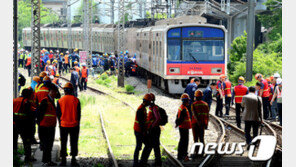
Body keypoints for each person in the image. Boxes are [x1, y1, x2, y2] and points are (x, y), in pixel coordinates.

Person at [57, 82, 81, 166]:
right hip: (74, 125)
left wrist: (60, 124)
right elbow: (78, 114)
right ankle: (73, 160)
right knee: (74, 142)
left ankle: (63, 160)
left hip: (63, 125)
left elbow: (58, 114)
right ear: (72, 91)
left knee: (63, 142)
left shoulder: (60, 100)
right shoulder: (76, 100)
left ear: (64, 91)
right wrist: (78, 124)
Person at [37, 84, 60, 165]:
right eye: (53, 91)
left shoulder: (51, 101)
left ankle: (47, 160)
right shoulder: (45, 101)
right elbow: (39, 114)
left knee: (49, 144)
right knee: (47, 144)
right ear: (50, 92)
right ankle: (46, 161)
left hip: (50, 126)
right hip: (45, 126)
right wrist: (40, 125)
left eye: (55, 92)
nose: (55, 93)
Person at [14, 88, 36, 163]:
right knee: (26, 141)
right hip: (23, 124)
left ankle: (14, 157)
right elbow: (29, 114)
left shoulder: (14, 100)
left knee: (13, 141)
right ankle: (28, 157)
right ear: (28, 95)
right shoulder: (26, 101)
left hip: (13, 124)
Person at [140, 93, 162, 167]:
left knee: (153, 146)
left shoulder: (154, 108)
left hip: (154, 130)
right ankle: (156, 162)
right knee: (153, 146)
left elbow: (158, 118)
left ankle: (154, 162)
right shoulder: (151, 108)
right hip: (153, 129)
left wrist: (152, 126)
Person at [133, 94, 151, 167]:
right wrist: (144, 132)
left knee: (144, 145)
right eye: (149, 102)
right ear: (146, 102)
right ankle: (137, 163)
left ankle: (141, 162)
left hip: (140, 131)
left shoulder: (143, 108)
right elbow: (141, 123)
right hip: (139, 131)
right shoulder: (140, 110)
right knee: (139, 146)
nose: (149, 104)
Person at [191, 90, 209, 155]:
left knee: (195, 139)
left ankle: (196, 152)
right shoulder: (206, 104)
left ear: (195, 97)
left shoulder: (193, 104)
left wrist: (197, 122)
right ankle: (202, 152)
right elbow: (207, 115)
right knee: (201, 138)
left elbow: (194, 114)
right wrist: (206, 124)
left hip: (195, 124)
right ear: (202, 97)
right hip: (202, 123)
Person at [175, 93, 191, 161]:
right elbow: (180, 119)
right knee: (184, 142)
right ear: (185, 101)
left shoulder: (181, 107)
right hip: (184, 127)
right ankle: (184, 156)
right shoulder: (183, 109)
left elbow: (177, 117)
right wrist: (177, 123)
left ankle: (181, 155)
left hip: (183, 127)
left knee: (182, 141)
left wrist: (177, 124)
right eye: (188, 100)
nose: (189, 102)